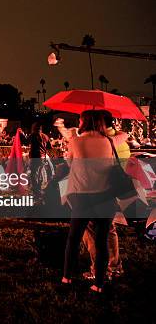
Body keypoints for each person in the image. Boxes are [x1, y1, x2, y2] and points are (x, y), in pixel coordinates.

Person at [61, 110, 127, 293]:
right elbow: (124, 135)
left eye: (81, 119)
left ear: (85, 122)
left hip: (82, 196)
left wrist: (73, 137)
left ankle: (67, 277)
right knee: (101, 241)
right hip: (105, 198)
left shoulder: (76, 141)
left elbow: (69, 163)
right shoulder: (109, 141)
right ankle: (99, 283)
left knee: (73, 239)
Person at [82, 110, 128, 280]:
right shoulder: (119, 140)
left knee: (90, 230)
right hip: (113, 190)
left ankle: (98, 268)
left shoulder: (100, 142)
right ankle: (114, 265)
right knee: (109, 229)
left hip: (96, 191)